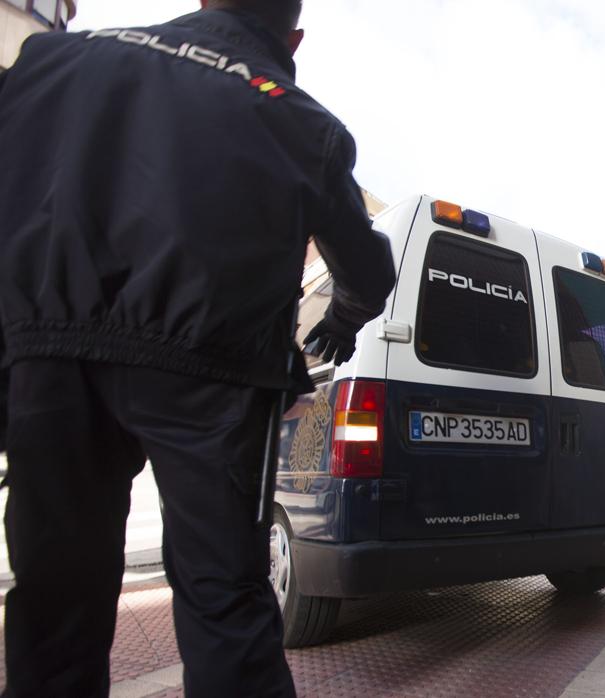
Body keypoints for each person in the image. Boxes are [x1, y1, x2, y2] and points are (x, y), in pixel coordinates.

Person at [0, 1, 396, 695]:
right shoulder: (298, 118)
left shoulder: (55, 61)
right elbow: (367, 270)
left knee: (54, 591)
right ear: (293, 36)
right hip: (212, 372)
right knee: (224, 598)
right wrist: (346, 315)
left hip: (49, 357)